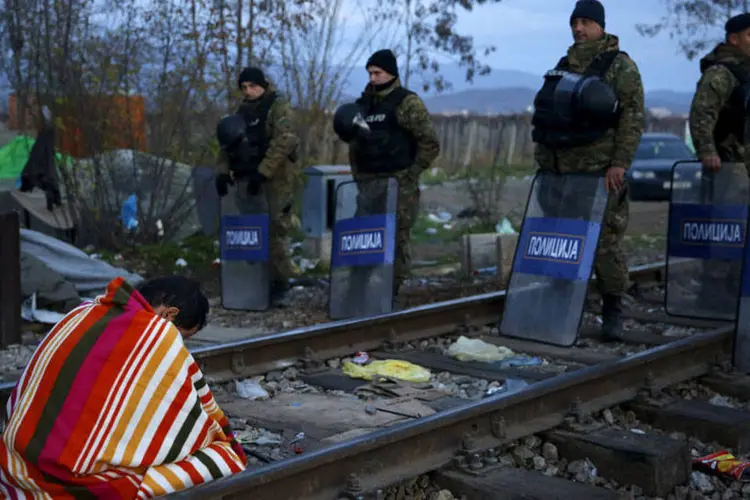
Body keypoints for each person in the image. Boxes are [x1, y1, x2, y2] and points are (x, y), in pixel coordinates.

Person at [0, 276, 247, 498]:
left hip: (18, 463)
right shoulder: (157, 332)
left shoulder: (83, 311)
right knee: (221, 455)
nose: (179, 345)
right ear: (169, 314)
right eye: (183, 337)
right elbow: (187, 416)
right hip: (68, 480)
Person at [531, 0, 645, 339]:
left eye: (586, 22)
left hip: (599, 173)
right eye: (575, 22)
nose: (579, 28)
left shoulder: (619, 67)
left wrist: (619, 163)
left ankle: (613, 310)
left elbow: (632, 117)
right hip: (561, 173)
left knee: (605, 244)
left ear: (601, 26)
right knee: (561, 242)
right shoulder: (563, 65)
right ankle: (562, 309)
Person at [347, 49, 440, 304]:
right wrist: (360, 179)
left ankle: (390, 293)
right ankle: (356, 293)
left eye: (378, 73)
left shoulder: (407, 103)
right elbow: (354, 146)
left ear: (391, 73)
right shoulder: (363, 105)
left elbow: (429, 143)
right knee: (363, 237)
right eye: (370, 73)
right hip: (370, 184)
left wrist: (410, 174)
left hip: (399, 183)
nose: (373, 78)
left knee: (396, 240)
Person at [215, 66, 301, 305]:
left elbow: (284, 142)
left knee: (274, 231)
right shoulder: (241, 111)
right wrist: (222, 172)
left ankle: (282, 283)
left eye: (253, 86)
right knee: (250, 231)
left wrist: (262, 173)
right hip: (247, 178)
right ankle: (258, 280)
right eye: (244, 87)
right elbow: (227, 141)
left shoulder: (278, 107)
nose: (249, 91)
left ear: (262, 84)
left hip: (276, 180)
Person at [688, 12, 750, 314]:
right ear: (734, 39)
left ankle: (737, 291)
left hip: (743, 168)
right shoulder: (722, 73)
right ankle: (714, 294)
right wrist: (707, 152)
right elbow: (701, 114)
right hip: (726, 168)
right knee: (726, 230)